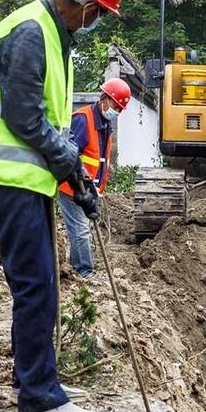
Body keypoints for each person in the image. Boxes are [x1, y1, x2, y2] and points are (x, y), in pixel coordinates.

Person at [0, 0, 127, 412]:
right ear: (90, 7)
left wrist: (73, 173)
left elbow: (45, 118)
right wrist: (66, 157)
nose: (96, 20)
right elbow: (24, 116)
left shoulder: (51, 33)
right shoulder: (34, 33)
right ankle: (38, 396)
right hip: (5, 175)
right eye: (100, 14)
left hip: (21, 177)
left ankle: (34, 378)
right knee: (37, 284)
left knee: (38, 281)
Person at [57, 78, 131, 278]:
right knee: (81, 231)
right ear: (104, 99)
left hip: (88, 190)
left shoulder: (105, 125)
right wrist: (83, 185)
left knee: (82, 232)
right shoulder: (83, 119)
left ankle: (74, 269)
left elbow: (97, 157)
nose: (116, 111)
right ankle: (85, 272)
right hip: (72, 188)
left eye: (119, 109)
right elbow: (71, 155)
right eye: (115, 106)